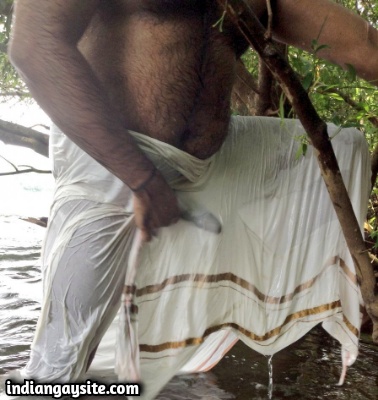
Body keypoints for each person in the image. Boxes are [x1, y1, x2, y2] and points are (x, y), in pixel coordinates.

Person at [7, 0, 378, 398]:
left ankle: (339, 302)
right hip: (110, 166)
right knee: (60, 365)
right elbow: (34, 46)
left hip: (208, 162)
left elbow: (364, 47)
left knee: (342, 149)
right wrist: (139, 177)